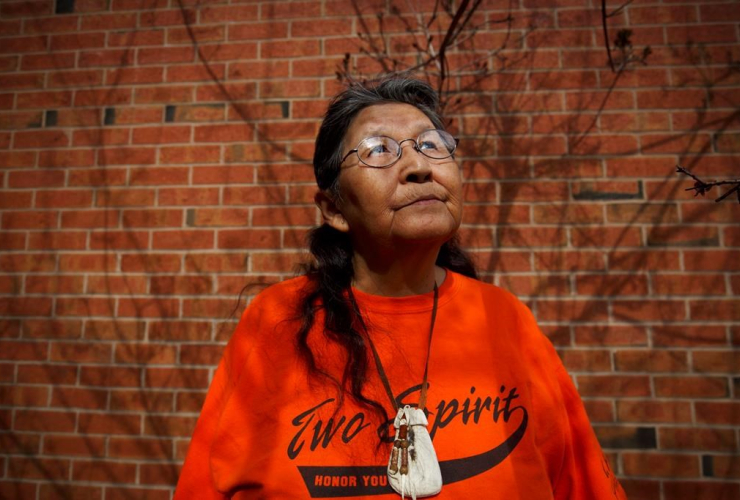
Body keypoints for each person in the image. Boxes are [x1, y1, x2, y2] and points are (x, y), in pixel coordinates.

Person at [174, 77, 628, 499]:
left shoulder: (506, 319)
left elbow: (584, 484)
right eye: (379, 150)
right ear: (334, 209)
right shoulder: (277, 321)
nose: (418, 166)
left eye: (432, 145)